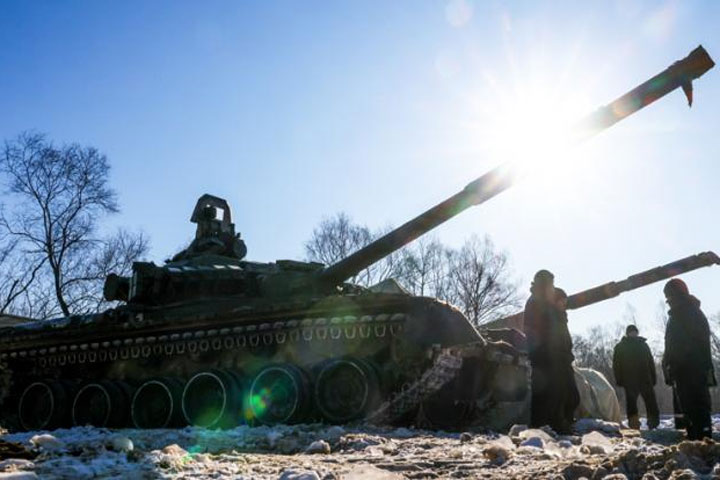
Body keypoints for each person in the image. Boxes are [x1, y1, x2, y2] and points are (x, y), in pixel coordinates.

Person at [523, 270, 577, 433]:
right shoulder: (535, 302)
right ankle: (544, 427)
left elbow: (561, 332)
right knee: (547, 394)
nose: (552, 287)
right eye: (550, 284)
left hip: (561, 356)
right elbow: (534, 330)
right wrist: (543, 351)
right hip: (546, 356)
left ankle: (561, 423)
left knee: (569, 394)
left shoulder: (551, 304)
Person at [662, 278, 714, 440]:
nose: (668, 301)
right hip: (686, 370)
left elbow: (685, 344)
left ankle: (702, 441)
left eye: (669, 296)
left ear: (675, 295)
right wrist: (668, 365)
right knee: (691, 408)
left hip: (690, 369)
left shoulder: (687, 313)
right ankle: (698, 438)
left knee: (696, 407)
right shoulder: (682, 313)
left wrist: (673, 364)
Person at [612, 325, 660, 429]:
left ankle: (653, 423)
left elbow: (650, 362)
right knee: (631, 403)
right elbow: (616, 364)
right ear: (627, 333)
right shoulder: (621, 346)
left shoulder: (644, 345)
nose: (633, 333)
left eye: (635, 332)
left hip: (645, 378)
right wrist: (619, 379)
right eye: (631, 332)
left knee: (651, 402)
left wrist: (653, 377)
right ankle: (633, 424)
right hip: (630, 380)